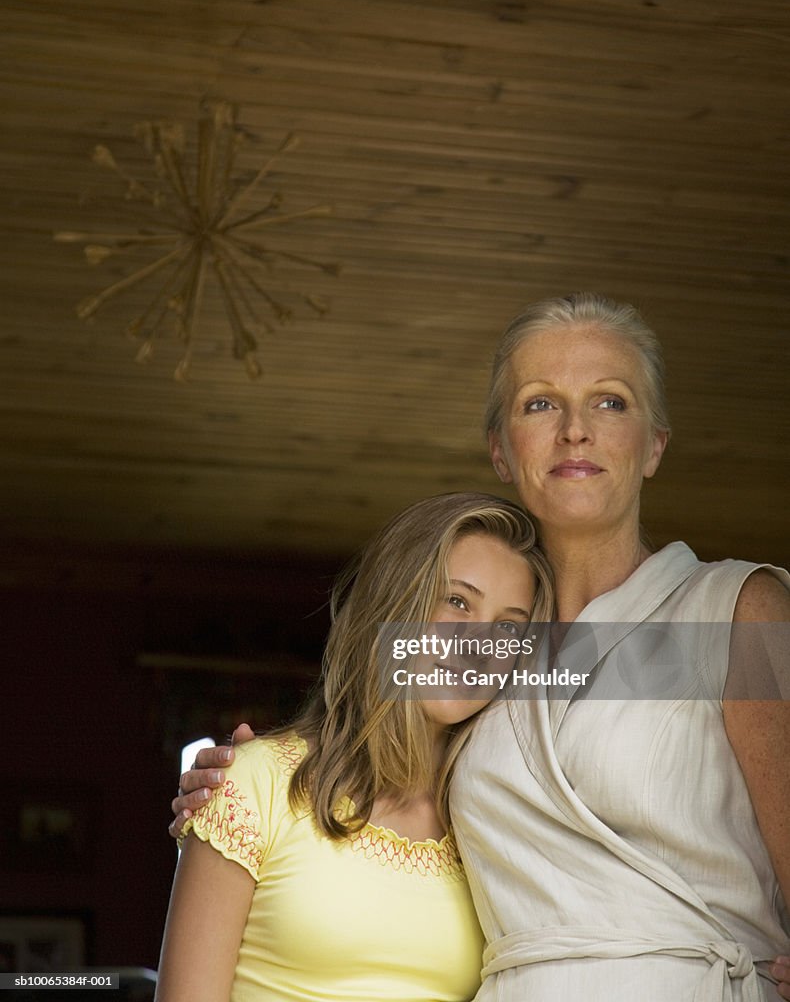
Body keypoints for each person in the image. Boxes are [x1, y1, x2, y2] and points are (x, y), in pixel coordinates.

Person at [174, 294, 790, 1001]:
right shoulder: (480, 654)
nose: (575, 432)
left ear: (654, 445)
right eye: (539, 404)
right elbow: (352, 737)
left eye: (611, 402)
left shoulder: (742, 613)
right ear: (501, 449)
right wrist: (231, 791)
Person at [155, 491, 554, 1002]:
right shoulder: (253, 781)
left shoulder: (499, 825)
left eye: (507, 626)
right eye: (457, 601)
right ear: (396, 603)